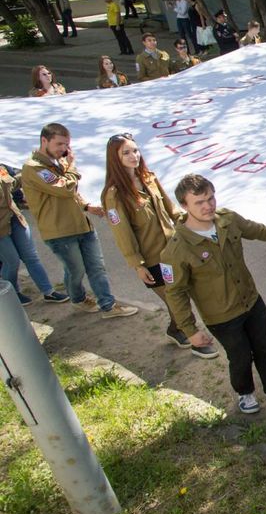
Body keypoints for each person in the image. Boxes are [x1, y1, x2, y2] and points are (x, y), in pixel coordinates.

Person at [160, 174, 266, 414]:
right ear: (184, 206)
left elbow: (256, 229)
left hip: (251, 301)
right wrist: (190, 330)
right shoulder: (177, 249)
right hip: (221, 316)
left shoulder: (228, 220)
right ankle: (245, 393)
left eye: (210, 198)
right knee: (240, 356)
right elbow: (175, 292)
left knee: (265, 349)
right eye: (199, 202)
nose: (208, 205)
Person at [100, 134, 215, 357]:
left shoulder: (148, 178)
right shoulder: (114, 194)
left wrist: (195, 223)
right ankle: (195, 341)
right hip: (152, 259)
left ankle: (175, 329)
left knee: (186, 292)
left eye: (135, 150)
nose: (134, 156)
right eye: (126, 152)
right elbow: (122, 233)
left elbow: (171, 209)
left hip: (174, 250)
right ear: (115, 158)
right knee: (176, 300)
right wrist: (137, 264)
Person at [20, 123, 137, 319]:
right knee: (76, 270)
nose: (64, 149)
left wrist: (86, 206)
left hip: (82, 225)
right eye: (59, 144)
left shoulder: (58, 163)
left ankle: (108, 306)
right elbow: (63, 188)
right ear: (44, 141)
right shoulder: (34, 167)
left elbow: (72, 192)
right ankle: (78, 299)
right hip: (60, 231)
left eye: (66, 144)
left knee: (96, 267)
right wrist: (71, 166)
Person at [0, 165, 69, 306]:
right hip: (1, 228)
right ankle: (12, 295)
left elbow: (12, 184)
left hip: (15, 218)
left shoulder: (2, 167)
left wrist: (28, 172)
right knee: (11, 261)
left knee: (31, 256)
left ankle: (48, 292)